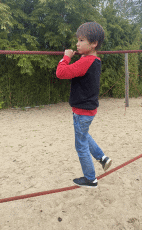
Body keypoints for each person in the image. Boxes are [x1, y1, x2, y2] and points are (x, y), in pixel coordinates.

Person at [56, 22, 112, 188]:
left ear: (93, 44)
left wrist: (66, 57)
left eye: (81, 40)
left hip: (82, 111)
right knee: (84, 135)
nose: (77, 43)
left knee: (80, 145)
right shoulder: (94, 60)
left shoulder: (85, 62)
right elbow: (81, 64)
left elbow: (61, 73)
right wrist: (78, 54)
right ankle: (102, 158)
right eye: (77, 40)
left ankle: (90, 179)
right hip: (88, 110)